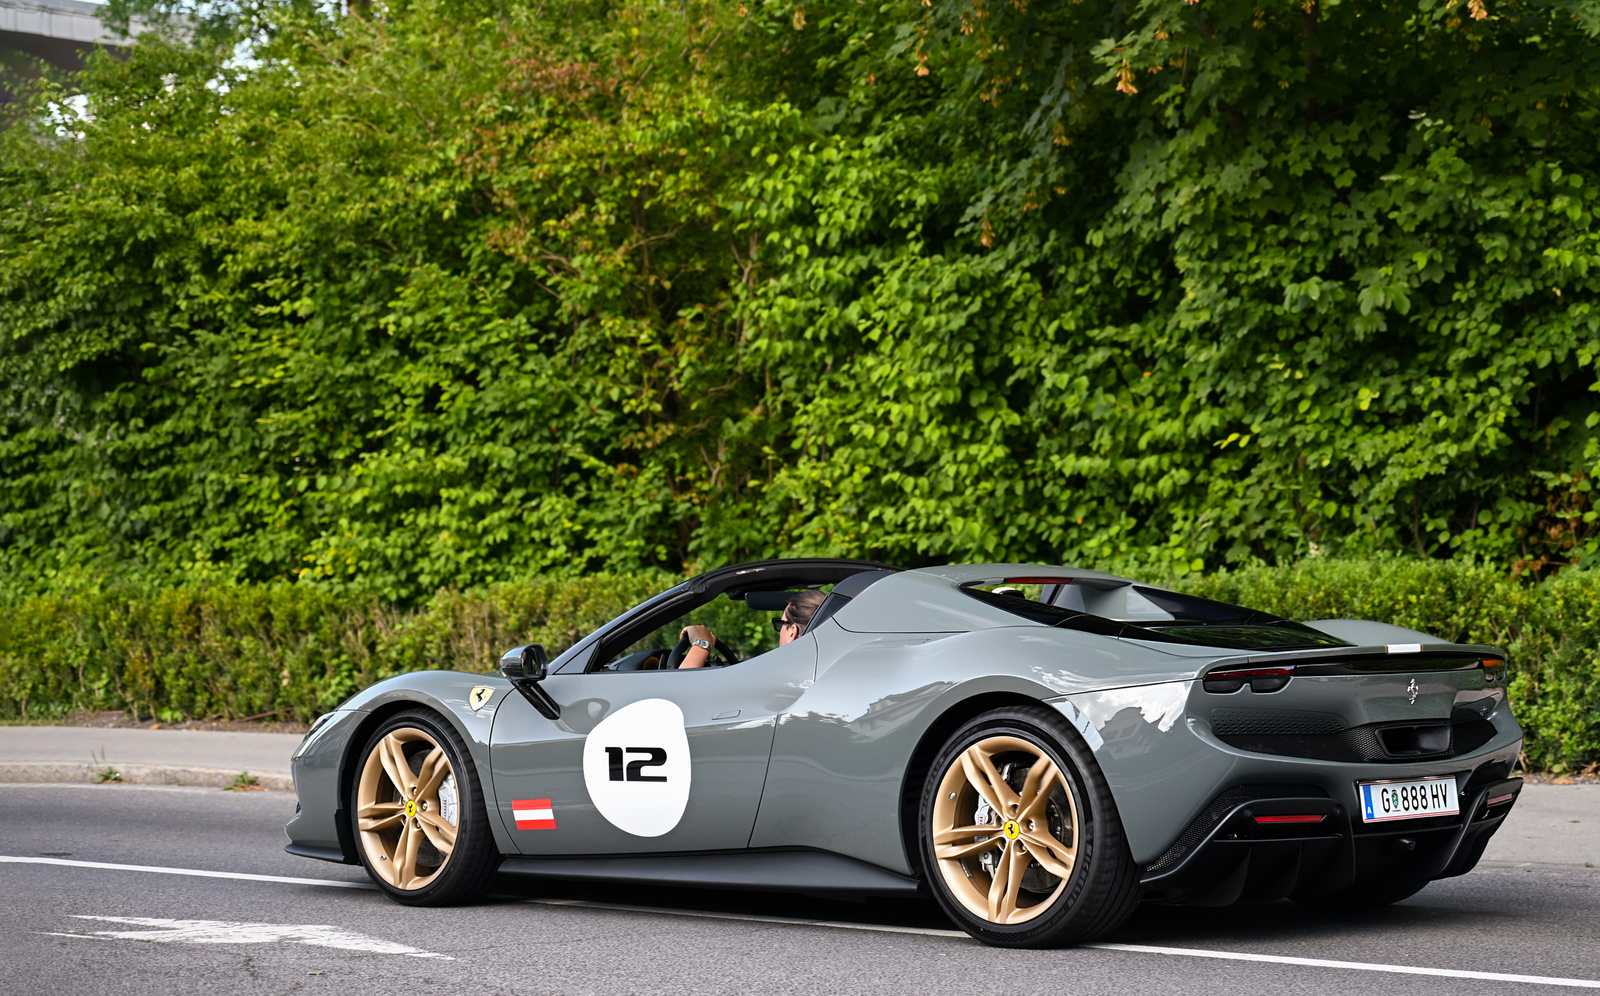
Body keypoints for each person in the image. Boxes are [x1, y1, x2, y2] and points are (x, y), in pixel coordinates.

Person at [677, 589, 828, 669]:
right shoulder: (828, 670)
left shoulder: (779, 675)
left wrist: (702, 644)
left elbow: (678, 693)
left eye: (781, 624)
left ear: (792, 631)